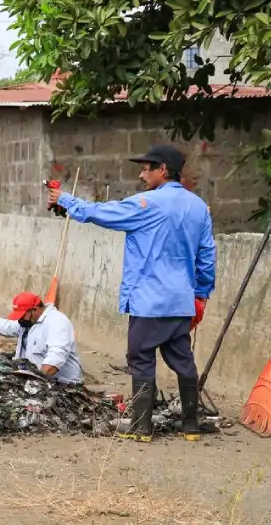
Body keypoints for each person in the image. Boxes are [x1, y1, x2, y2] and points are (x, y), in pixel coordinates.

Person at [48, 143, 215, 442]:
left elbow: (102, 213)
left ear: (162, 170)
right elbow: (206, 256)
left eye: (145, 168)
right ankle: (190, 425)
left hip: (149, 302)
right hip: (182, 301)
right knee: (183, 360)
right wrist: (200, 295)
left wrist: (66, 200)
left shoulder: (147, 205)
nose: (141, 175)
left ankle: (141, 427)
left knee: (140, 358)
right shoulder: (198, 207)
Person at [0, 293, 83, 385]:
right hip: (33, 377)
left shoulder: (57, 322)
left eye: (22, 315)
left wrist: (35, 383)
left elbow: (54, 361)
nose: (20, 320)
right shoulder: (29, 322)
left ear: (34, 310)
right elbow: (5, 326)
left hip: (60, 384)